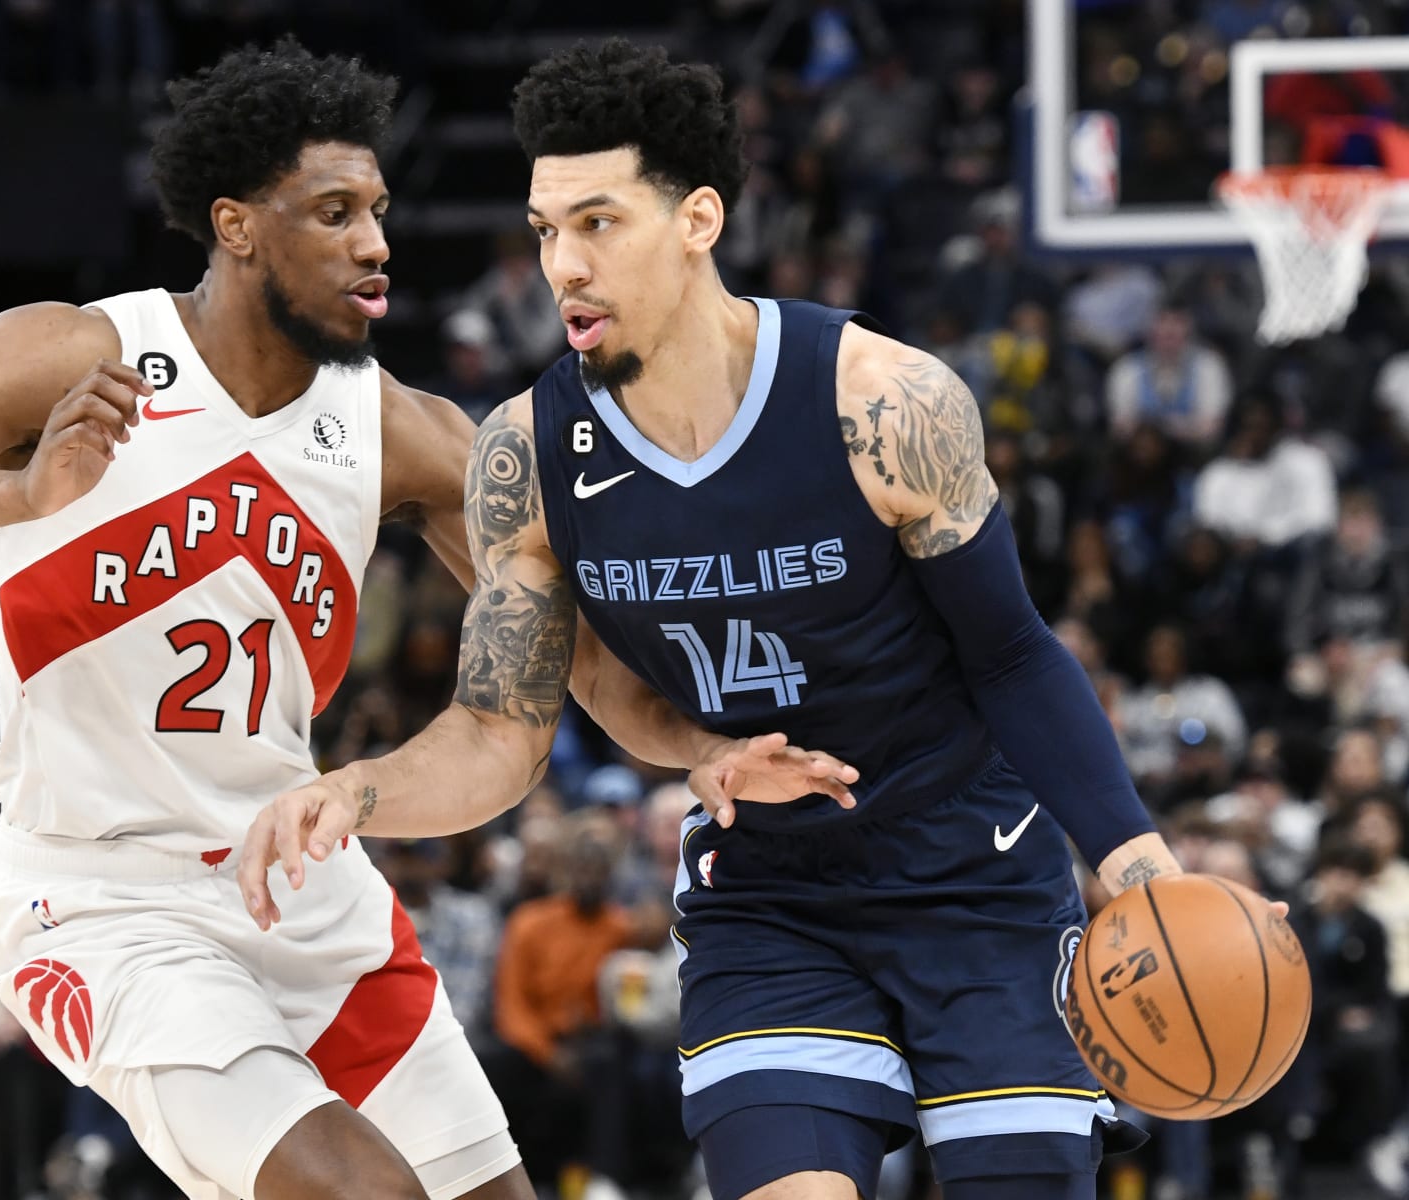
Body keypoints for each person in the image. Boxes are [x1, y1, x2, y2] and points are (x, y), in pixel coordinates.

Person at [0, 39, 845, 1200]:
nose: (376, 244)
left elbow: (578, 659)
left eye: (376, 209)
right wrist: (11, 497)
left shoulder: (400, 431)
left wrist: (710, 749)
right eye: (333, 212)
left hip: (302, 884)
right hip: (104, 897)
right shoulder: (78, 354)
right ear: (238, 226)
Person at [237, 38, 1301, 1200]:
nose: (563, 267)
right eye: (547, 230)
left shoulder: (883, 402)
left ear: (697, 219)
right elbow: (503, 731)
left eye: (599, 223)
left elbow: (1009, 651)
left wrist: (1135, 856)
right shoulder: (527, 457)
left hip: (975, 880)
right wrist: (359, 792)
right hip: (773, 899)